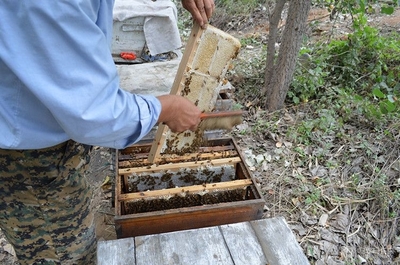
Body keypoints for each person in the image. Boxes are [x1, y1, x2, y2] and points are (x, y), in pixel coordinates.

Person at [0, 0, 215, 264]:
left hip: (42, 141)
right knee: (66, 257)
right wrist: (166, 109)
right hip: (27, 162)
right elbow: (93, 111)